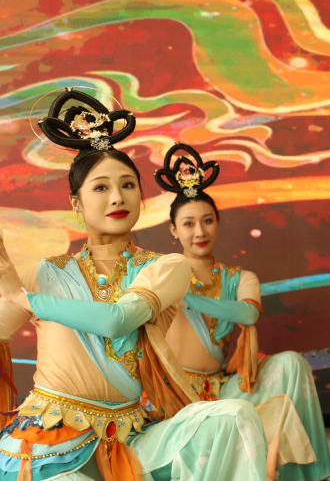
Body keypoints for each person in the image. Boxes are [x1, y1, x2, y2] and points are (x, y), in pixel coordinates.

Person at [0, 89, 267, 480]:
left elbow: (117, 320)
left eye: (127, 185)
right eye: (100, 187)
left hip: (130, 433)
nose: (117, 197)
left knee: (234, 416)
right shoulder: (43, 273)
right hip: (51, 436)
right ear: (76, 203)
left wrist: (23, 298)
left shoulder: (165, 267)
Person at [155, 142, 330, 481]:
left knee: (292, 363)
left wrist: (188, 299)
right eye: (189, 224)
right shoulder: (161, 272)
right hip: (174, 393)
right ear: (174, 230)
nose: (199, 232)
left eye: (207, 221)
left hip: (221, 387)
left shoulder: (240, 278)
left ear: (218, 223)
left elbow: (249, 315)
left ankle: (308, 476)